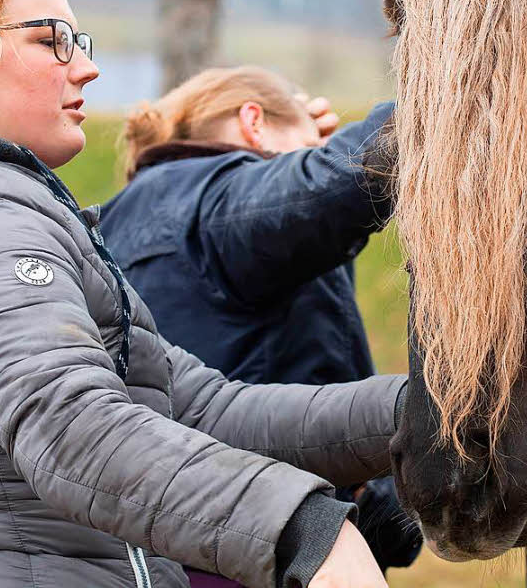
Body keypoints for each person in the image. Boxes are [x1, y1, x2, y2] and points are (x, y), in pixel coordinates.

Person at [0, 0, 404, 588]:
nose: (86, 66)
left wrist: (420, 415)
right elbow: (74, 428)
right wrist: (297, 525)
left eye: (80, 41)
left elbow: (202, 410)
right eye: (51, 40)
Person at [100, 68, 421, 581]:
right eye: (308, 143)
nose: (317, 150)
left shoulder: (125, 219)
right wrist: (454, 84)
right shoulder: (211, 199)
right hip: (258, 547)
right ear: (253, 121)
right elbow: (326, 188)